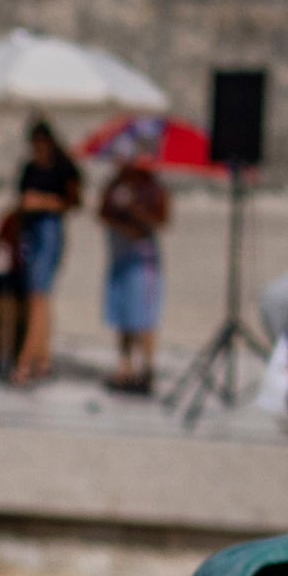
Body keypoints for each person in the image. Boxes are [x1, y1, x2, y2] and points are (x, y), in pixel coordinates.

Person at [1, 120, 84, 384]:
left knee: (39, 295)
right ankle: (42, 357)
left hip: (49, 229)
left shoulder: (62, 167)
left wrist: (45, 202)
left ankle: (26, 360)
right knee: (38, 297)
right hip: (31, 230)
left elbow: (75, 201)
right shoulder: (30, 167)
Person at [94, 139, 171, 392]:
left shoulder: (150, 186)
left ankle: (147, 367)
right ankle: (125, 366)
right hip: (120, 256)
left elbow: (161, 219)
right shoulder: (114, 185)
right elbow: (102, 213)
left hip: (142, 261)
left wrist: (134, 212)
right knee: (123, 315)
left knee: (144, 316)